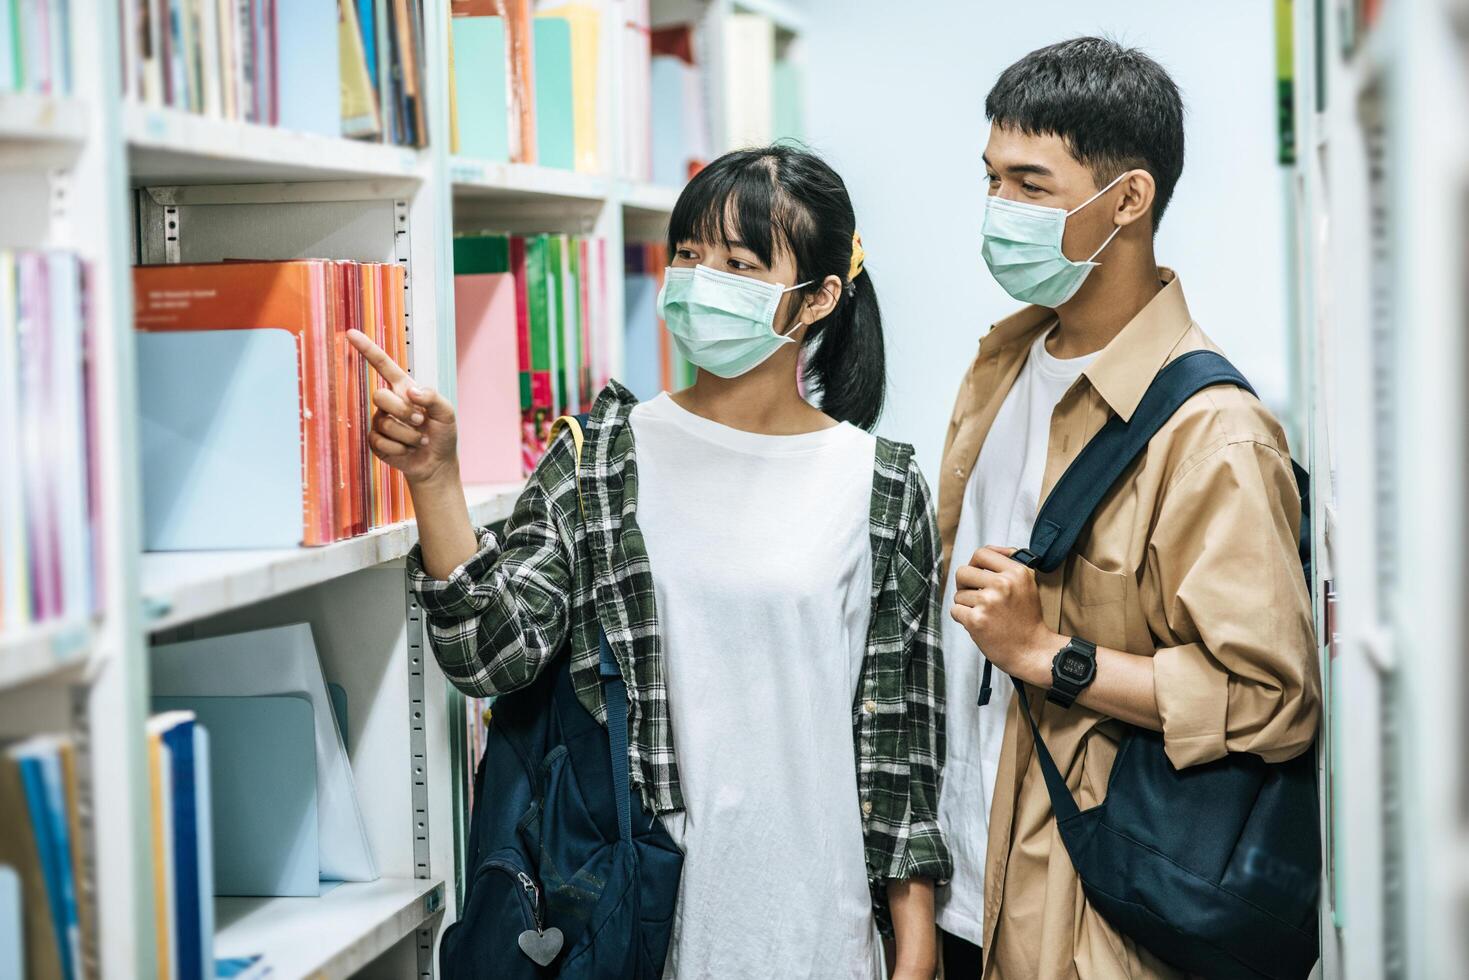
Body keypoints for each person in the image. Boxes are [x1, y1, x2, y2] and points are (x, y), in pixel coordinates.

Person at [349, 144, 951, 979]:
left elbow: (897, 744)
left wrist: (913, 952)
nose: (701, 281)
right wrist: (435, 480)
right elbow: (491, 655)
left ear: (817, 298)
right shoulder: (599, 459)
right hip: (629, 924)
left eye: (738, 264)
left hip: (815, 928)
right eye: (689, 255)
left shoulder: (880, 486)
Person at [934, 38, 1321, 979]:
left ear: (1129, 199)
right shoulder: (998, 366)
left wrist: (1044, 654)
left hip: (1088, 913)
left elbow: (1272, 701)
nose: (999, 211)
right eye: (990, 180)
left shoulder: (1215, 435)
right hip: (960, 888)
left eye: (1031, 184)